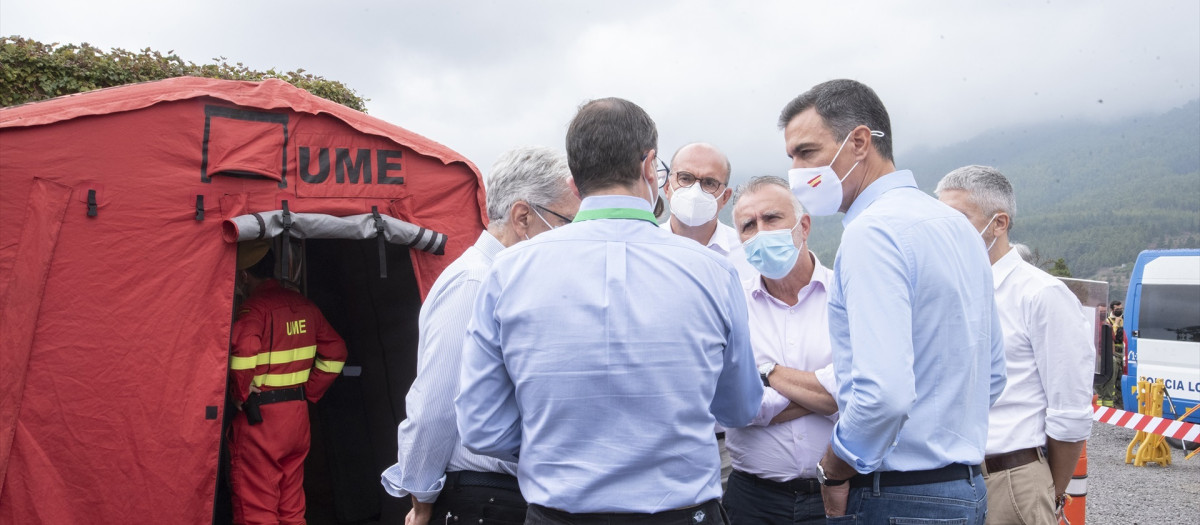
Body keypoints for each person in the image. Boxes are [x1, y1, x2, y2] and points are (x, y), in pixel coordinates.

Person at [455, 97, 762, 524]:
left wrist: (555, 446)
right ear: (649, 166)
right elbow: (740, 409)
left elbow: (481, 427)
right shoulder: (712, 272)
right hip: (681, 513)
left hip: (558, 513)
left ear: (574, 180)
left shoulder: (507, 272)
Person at [778, 79, 1006, 523]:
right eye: (790, 158)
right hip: (964, 489)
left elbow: (882, 395)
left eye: (806, 153)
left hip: (896, 496)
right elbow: (992, 374)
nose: (796, 172)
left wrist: (835, 468)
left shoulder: (872, 234)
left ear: (859, 142)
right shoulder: (956, 226)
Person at [381, 146, 580, 525]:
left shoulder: (512, 280)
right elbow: (435, 404)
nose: (573, 236)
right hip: (483, 499)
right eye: (568, 221)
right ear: (523, 216)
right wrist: (422, 496)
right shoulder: (475, 283)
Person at [937, 165, 1093, 525]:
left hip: (1011, 476)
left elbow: (1069, 411)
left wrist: (1046, 489)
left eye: (959, 218)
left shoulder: (1041, 295)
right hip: (946, 479)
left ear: (999, 223)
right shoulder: (948, 291)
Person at [724, 175, 838, 525]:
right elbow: (730, 407)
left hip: (840, 493)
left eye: (772, 219)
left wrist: (767, 373)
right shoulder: (730, 304)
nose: (760, 232)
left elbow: (864, 388)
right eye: (748, 225)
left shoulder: (846, 294)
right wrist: (826, 395)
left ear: (803, 225)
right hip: (754, 500)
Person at [228, 244, 348, 525]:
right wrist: (309, 392)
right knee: (292, 510)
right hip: (297, 418)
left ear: (244, 276)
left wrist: (240, 392)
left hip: (261, 423)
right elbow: (337, 351)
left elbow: (244, 351)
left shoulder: (253, 309)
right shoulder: (305, 306)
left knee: (256, 510)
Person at [662, 142, 757, 283]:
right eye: (685, 178)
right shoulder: (644, 248)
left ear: (725, 197)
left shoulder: (749, 254)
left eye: (709, 183)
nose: (695, 192)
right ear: (667, 187)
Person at [1107, 300, 1126, 407]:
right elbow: (1111, 336)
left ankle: (1121, 402)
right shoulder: (1108, 321)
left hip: (1124, 352)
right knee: (1112, 378)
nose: (1119, 311)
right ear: (1112, 309)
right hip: (1114, 353)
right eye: (1117, 309)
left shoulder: (1125, 319)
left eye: (1121, 309)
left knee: (1121, 378)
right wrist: (1116, 324)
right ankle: (1112, 402)